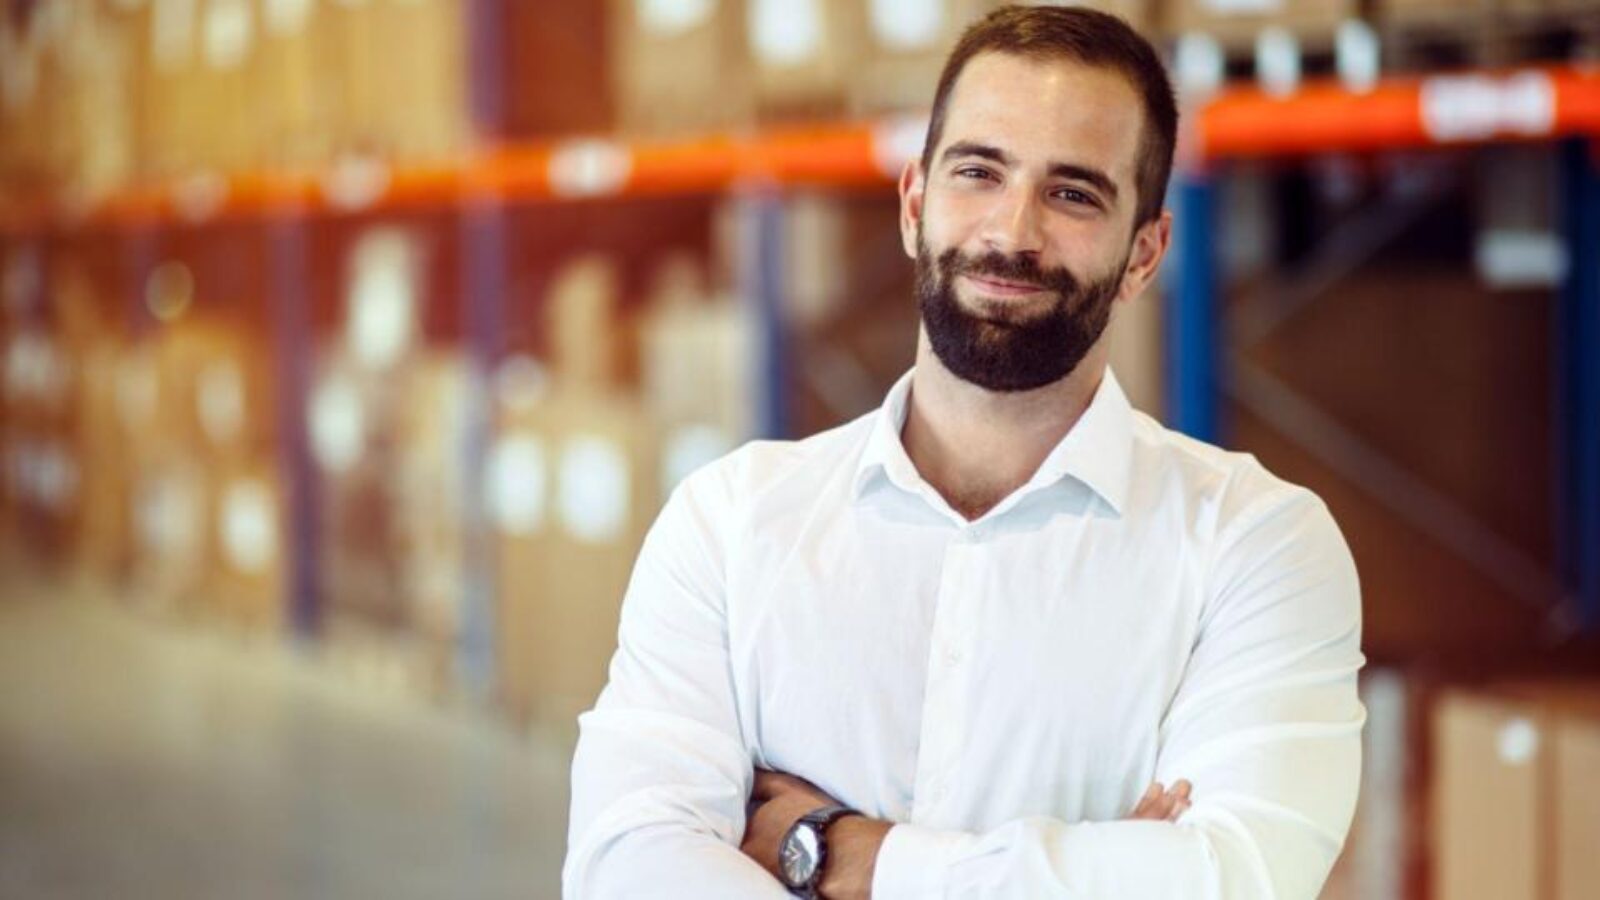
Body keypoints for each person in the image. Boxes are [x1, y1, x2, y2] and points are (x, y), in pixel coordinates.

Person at [563, 6, 1364, 898]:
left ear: (1145, 254)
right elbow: (624, 863)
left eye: (1073, 194)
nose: (1012, 232)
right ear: (914, 204)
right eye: (979, 171)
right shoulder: (729, 525)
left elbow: (1231, 879)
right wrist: (1090, 868)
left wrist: (837, 853)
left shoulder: (1257, 547)